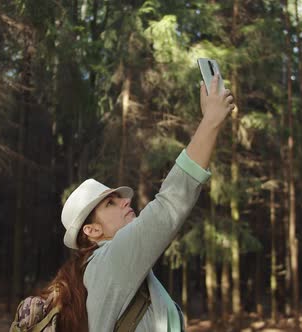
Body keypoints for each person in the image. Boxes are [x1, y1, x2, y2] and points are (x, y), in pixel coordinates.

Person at [44, 74, 234, 332]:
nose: (124, 201)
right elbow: (169, 204)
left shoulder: (99, 271)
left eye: (118, 198)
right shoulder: (110, 260)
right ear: (92, 231)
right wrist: (211, 120)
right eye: (110, 204)